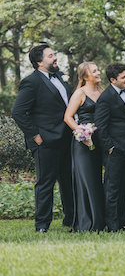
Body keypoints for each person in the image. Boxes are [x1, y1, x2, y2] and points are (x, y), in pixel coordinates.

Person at [12, 44, 74, 233]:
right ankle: (42, 225)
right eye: (51, 56)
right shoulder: (31, 82)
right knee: (45, 183)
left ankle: (71, 220)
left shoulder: (61, 80)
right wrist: (35, 135)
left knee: (68, 182)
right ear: (39, 62)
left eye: (54, 54)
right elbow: (18, 112)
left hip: (67, 139)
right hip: (45, 141)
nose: (55, 58)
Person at [63, 61, 105, 232]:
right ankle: (86, 222)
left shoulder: (102, 92)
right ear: (85, 76)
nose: (98, 72)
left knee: (97, 180)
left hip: (100, 142)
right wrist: (82, 132)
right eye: (94, 71)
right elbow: (68, 117)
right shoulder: (79, 93)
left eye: (98, 69)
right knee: (86, 181)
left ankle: (100, 220)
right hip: (82, 143)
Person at [95, 62, 125, 232]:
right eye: (123, 77)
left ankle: (123, 222)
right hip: (114, 149)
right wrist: (110, 147)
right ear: (113, 79)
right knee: (112, 188)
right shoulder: (105, 97)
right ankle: (112, 225)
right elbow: (100, 126)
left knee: (124, 186)